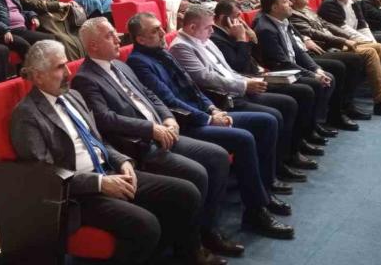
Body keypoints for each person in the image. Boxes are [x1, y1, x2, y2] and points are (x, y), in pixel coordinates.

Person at [71, 18, 262, 257]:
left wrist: (167, 118)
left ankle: (207, 229)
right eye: (110, 35)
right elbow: (106, 119)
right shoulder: (85, 78)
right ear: (93, 45)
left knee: (218, 157)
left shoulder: (120, 65)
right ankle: (191, 247)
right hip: (139, 144)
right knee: (197, 173)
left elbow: (149, 94)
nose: (118, 39)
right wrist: (151, 129)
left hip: (164, 132)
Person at [11, 39, 210, 265]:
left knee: (186, 193)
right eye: (60, 67)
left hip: (110, 171)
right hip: (79, 195)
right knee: (147, 225)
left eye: (66, 64)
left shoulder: (73, 96)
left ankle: (188, 256)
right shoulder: (26, 115)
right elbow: (46, 176)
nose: (68, 72)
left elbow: (98, 140)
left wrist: (122, 161)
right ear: (38, 76)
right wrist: (99, 183)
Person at [126, 13, 294, 243]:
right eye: (155, 30)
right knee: (243, 138)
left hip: (203, 113)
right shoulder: (139, 62)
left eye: (161, 27)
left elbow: (193, 88)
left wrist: (212, 109)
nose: (164, 32)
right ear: (141, 39)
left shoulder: (162, 52)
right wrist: (207, 119)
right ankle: (256, 211)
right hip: (186, 123)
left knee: (267, 122)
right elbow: (168, 100)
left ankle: (263, 191)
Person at [194, 2, 317, 178]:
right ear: (223, 18)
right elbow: (238, 65)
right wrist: (241, 40)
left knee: (296, 97)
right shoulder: (216, 39)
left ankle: (293, 150)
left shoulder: (215, 37)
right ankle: (282, 161)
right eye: (236, 17)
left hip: (248, 78)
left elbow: (238, 67)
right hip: (234, 90)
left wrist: (250, 39)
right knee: (289, 102)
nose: (240, 21)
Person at [284, 0, 381, 119]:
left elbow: (327, 25)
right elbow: (314, 33)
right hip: (326, 47)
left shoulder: (306, 9)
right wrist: (344, 40)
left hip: (335, 42)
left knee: (378, 46)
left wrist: (348, 37)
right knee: (369, 52)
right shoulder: (293, 14)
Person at [252, 0, 341, 138]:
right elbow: (282, 62)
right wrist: (312, 75)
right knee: (313, 85)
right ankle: (306, 131)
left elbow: (298, 51)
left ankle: (314, 123)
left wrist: (316, 69)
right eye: (285, 1)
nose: (290, 3)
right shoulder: (265, 29)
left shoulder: (283, 20)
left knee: (327, 75)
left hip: (292, 67)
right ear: (274, 7)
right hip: (279, 73)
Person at [18, 0, 84, 61]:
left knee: (79, 34)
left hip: (60, 20)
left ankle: (83, 60)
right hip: (48, 22)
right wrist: (59, 4)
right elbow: (38, 5)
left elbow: (57, 3)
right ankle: (72, 64)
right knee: (63, 40)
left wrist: (69, 4)